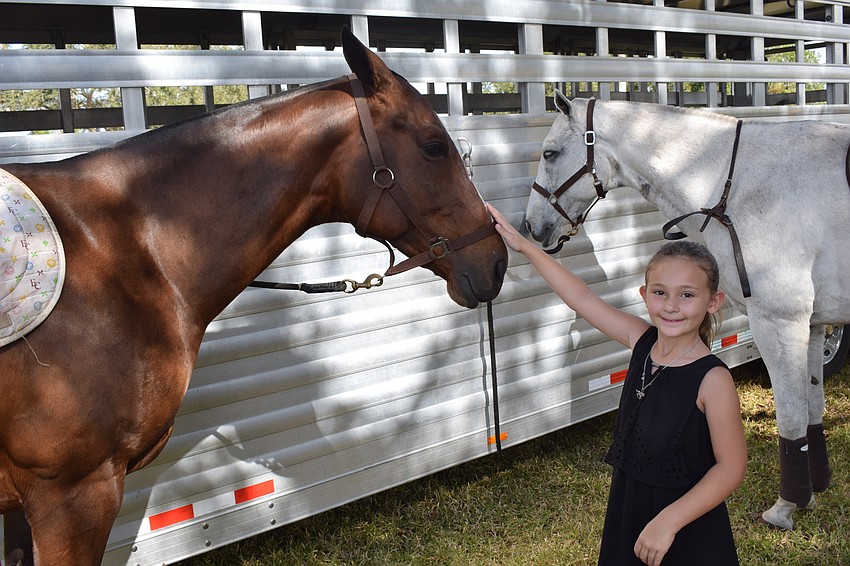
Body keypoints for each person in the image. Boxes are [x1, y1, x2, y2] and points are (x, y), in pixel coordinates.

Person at [486, 203, 747, 566]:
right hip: (631, 508)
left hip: (685, 525)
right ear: (644, 295)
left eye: (687, 295)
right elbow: (580, 297)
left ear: (713, 302)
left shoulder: (712, 379)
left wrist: (668, 522)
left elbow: (731, 467)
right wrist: (526, 247)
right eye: (660, 292)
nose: (671, 306)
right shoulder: (641, 340)